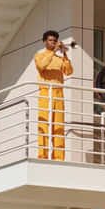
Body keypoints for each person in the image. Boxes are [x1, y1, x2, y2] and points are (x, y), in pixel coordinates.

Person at [33, 30, 73, 160]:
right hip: (45, 91)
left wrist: (65, 53)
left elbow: (69, 71)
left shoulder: (60, 58)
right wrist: (53, 52)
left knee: (59, 125)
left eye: (55, 41)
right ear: (45, 42)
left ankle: (58, 156)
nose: (53, 43)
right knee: (44, 124)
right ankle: (42, 155)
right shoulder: (40, 55)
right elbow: (41, 66)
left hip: (58, 93)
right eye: (50, 40)